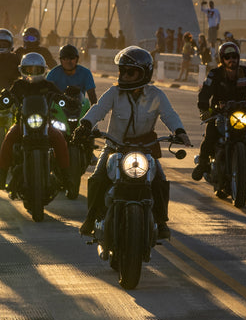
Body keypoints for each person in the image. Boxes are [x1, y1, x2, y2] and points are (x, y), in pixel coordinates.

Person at [74, 47, 192, 240]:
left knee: (160, 181)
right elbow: (99, 109)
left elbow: (169, 115)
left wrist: (179, 132)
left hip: (145, 149)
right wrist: (85, 126)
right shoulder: (114, 92)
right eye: (123, 71)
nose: (125, 76)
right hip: (115, 146)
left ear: (144, 72)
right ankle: (91, 217)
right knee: (97, 178)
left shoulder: (155, 95)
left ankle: (161, 222)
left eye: (131, 72)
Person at [191, 40, 246, 184]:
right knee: (210, 135)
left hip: (241, 114)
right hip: (219, 114)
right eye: (228, 57)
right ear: (222, 59)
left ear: (238, 58)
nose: (231, 59)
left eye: (234, 56)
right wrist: (204, 109)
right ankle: (203, 164)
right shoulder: (214, 74)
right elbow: (204, 94)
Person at [0, 52, 70, 190]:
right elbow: (9, 96)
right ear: (22, 70)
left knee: (60, 139)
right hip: (22, 124)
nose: (33, 73)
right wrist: (2, 100)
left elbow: (60, 96)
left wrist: (66, 100)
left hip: (45, 125)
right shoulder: (18, 85)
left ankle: (66, 178)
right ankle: (1, 176)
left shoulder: (49, 85)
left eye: (37, 70)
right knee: (8, 140)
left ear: (43, 70)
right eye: (29, 70)